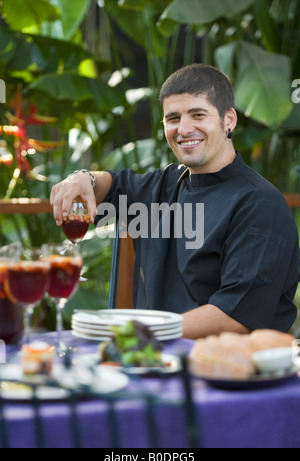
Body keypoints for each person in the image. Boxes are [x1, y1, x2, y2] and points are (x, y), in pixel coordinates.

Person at [51, 63, 300, 339]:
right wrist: (82, 179)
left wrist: (137, 332)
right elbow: (109, 186)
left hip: (226, 371)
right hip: (150, 361)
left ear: (228, 120)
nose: (183, 129)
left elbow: (236, 317)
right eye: (173, 118)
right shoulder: (162, 185)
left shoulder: (260, 205)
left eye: (198, 114)